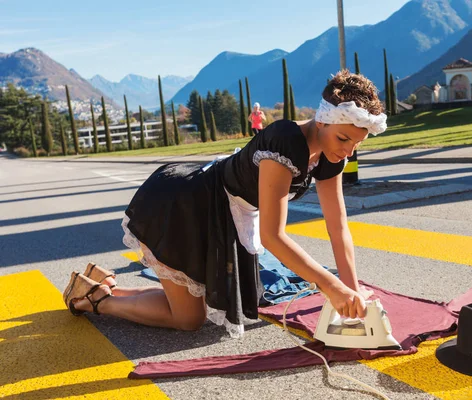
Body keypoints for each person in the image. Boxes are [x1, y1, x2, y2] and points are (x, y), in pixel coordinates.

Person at [62, 70, 387, 336]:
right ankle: (93, 299)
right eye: (343, 139)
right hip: (187, 204)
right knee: (188, 319)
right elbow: (274, 236)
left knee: (194, 310)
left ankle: (96, 282)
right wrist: (331, 286)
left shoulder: (333, 157)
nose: (347, 151)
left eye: (356, 144)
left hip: (226, 213)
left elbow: (337, 224)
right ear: (323, 120)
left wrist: (353, 288)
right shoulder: (285, 142)